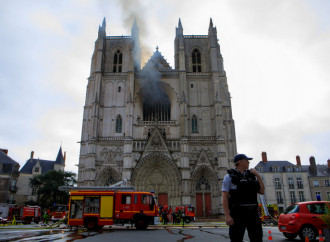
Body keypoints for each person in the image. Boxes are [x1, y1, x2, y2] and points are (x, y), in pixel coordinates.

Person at [222, 154, 265, 242]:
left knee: (257, 239)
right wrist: (227, 215)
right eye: (246, 160)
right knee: (236, 239)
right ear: (240, 162)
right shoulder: (229, 177)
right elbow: (225, 197)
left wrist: (258, 176)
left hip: (253, 214)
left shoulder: (252, 176)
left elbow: (262, 191)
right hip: (237, 214)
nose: (249, 162)